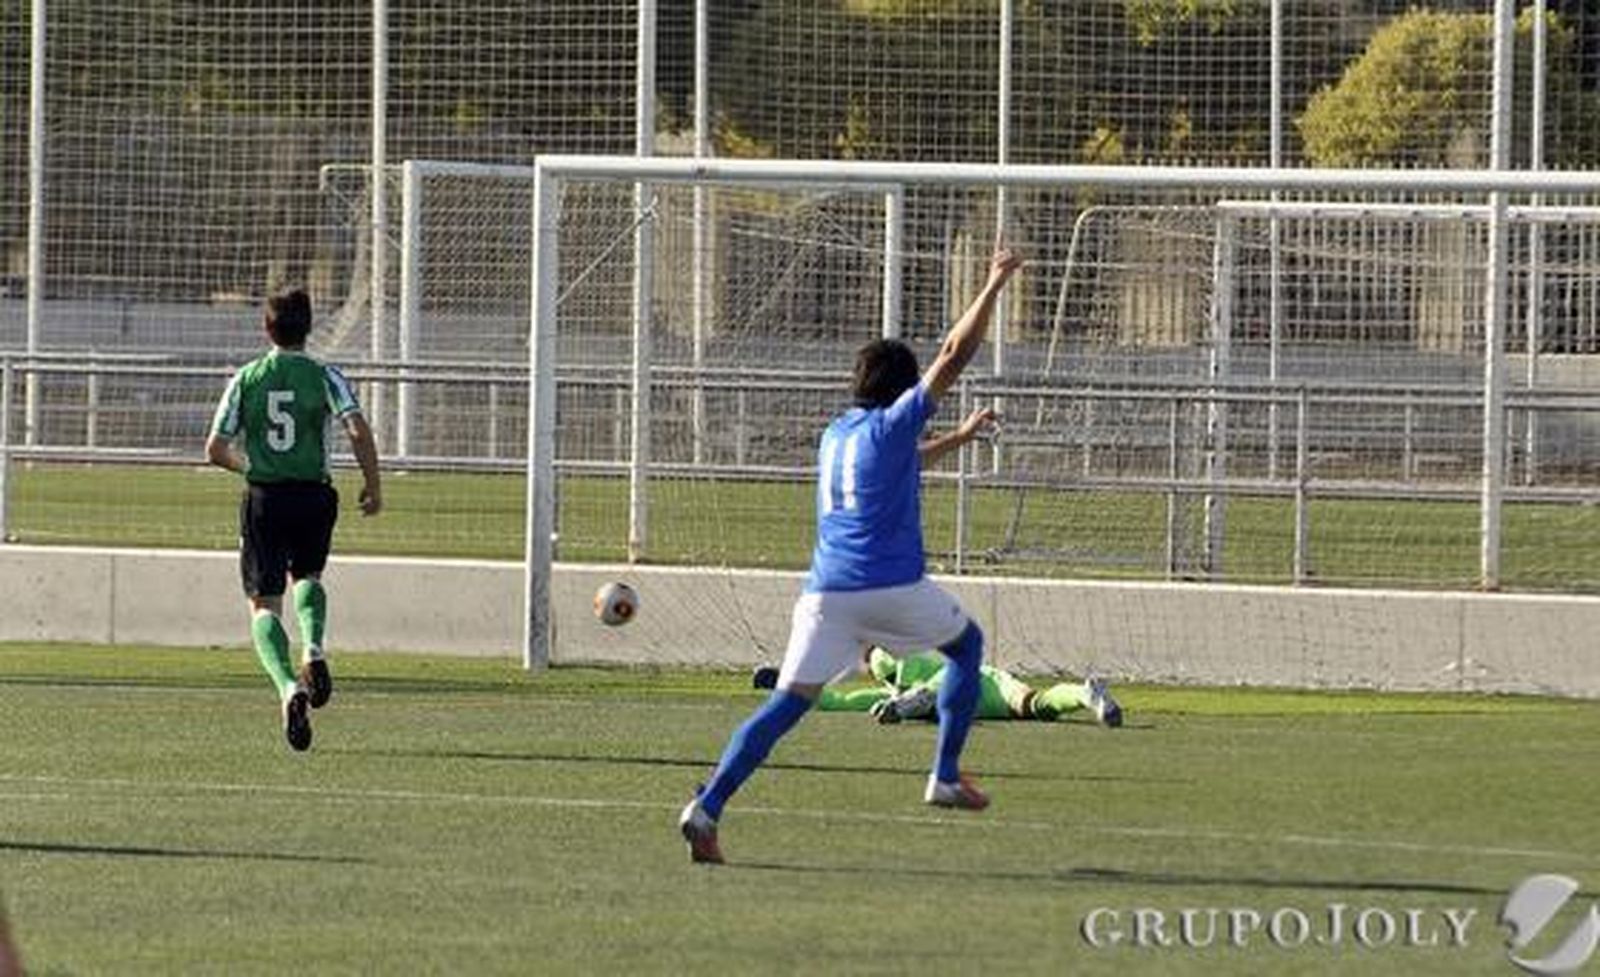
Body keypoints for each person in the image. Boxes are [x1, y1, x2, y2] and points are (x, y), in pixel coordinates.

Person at [678, 247, 1024, 864]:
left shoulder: (837, 436)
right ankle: (944, 774)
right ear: (899, 392)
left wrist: (962, 438)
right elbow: (955, 354)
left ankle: (707, 809)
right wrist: (994, 283)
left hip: (824, 597)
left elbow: (906, 465)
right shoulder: (894, 426)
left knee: (785, 706)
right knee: (967, 648)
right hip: (889, 585)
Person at [205, 288, 382, 752]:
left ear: (267, 328)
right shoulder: (325, 374)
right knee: (308, 575)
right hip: (315, 494)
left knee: (264, 605)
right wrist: (373, 483)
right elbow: (357, 428)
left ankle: (288, 688)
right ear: (309, 328)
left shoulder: (248, 377)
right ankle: (315, 648)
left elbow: (215, 448)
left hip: (265, 498)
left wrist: (254, 466)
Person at [752, 648, 1124, 727]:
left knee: (1034, 704)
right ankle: (1085, 695)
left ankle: (922, 699)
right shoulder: (888, 678)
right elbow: (835, 700)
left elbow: (835, 698)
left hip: (967, 681)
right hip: (977, 692)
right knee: (1036, 705)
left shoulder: (887, 652)